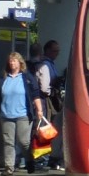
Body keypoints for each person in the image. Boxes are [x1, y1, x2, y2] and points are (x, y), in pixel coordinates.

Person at [0, 51, 43, 175]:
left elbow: (35, 95)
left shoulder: (27, 77)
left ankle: (29, 161)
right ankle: (9, 168)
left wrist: (39, 110)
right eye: (10, 61)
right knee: (8, 142)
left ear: (20, 63)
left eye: (14, 61)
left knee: (23, 142)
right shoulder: (4, 78)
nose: (12, 63)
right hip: (6, 115)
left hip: (23, 115)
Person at [33, 40, 63, 169]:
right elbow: (45, 88)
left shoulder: (47, 64)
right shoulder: (45, 65)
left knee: (40, 128)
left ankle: (42, 158)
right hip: (44, 101)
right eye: (55, 51)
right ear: (47, 51)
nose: (57, 54)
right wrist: (52, 92)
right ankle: (42, 160)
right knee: (44, 129)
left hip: (39, 100)